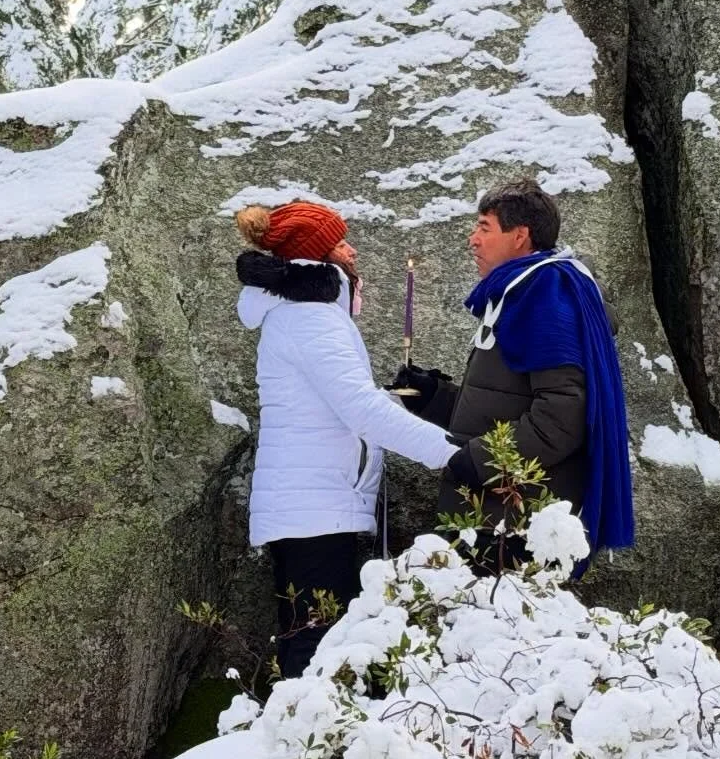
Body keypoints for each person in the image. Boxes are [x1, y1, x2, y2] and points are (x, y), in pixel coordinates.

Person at [235, 200, 459, 679]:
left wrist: (411, 399)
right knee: (314, 652)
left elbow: (339, 403)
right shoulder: (310, 319)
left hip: (315, 505)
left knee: (316, 642)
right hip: (314, 511)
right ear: (316, 260)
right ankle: (291, 746)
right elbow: (359, 410)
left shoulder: (309, 314)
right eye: (340, 243)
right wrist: (451, 454)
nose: (352, 250)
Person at [392, 179, 633, 573]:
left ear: (520, 236)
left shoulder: (546, 295)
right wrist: (435, 397)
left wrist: (479, 461)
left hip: (514, 523)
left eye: (484, 227)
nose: (472, 240)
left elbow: (562, 417)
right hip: (496, 513)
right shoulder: (523, 292)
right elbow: (504, 403)